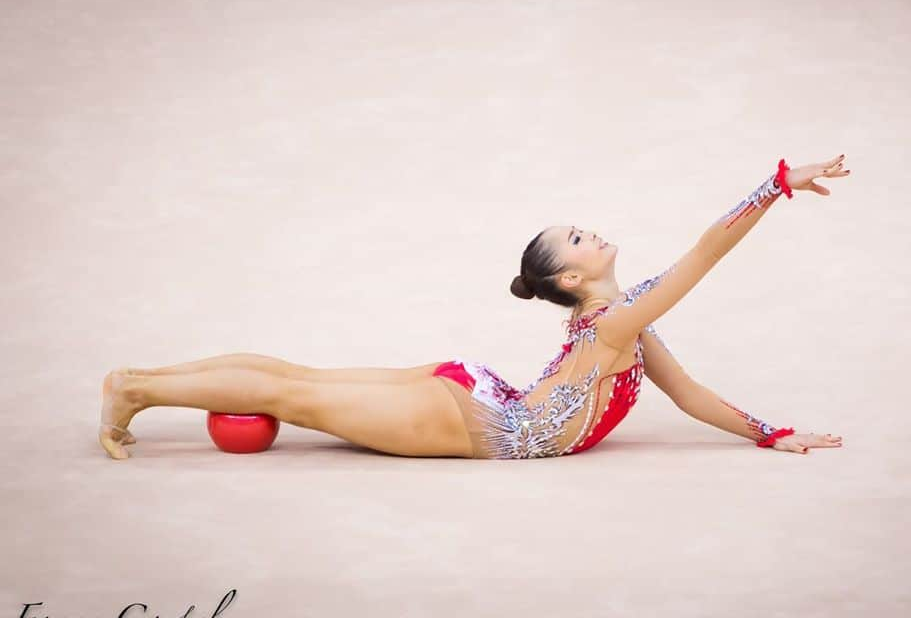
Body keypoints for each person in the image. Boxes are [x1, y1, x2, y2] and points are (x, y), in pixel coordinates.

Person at [99, 155, 849, 461]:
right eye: (577, 238)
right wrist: (775, 185)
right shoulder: (615, 324)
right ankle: (134, 388)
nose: (591, 232)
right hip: (480, 418)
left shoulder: (624, 328)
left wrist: (768, 433)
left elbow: (686, 395)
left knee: (301, 382)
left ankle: (139, 378)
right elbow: (705, 253)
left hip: (481, 395)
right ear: (569, 279)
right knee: (293, 392)